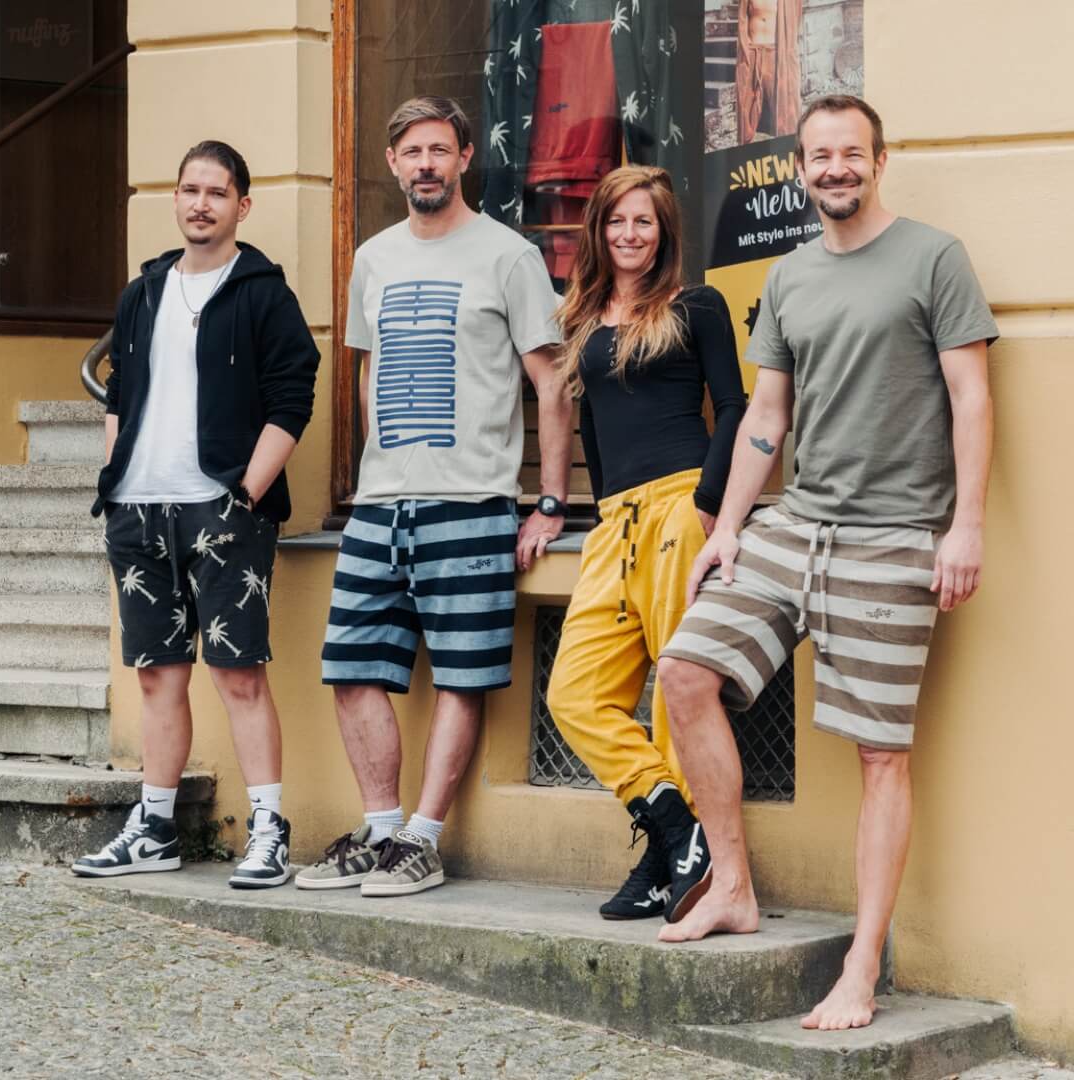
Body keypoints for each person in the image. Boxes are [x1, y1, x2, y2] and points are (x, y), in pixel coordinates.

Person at [657, 95, 997, 1031]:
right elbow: (767, 416)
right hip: (795, 523)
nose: (835, 168)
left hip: (895, 536)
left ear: (879, 161)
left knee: (880, 755)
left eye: (852, 152)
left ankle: (860, 968)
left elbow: (972, 397)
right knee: (684, 671)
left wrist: (965, 527)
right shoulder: (791, 275)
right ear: (800, 168)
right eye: (819, 155)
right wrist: (729, 526)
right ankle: (732, 886)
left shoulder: (934, 258)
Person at [297, 96, 572, 895]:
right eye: (412, 151)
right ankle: (382, 830)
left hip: (472, 501)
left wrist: (550, 501)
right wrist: (370, 476)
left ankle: (422, 840)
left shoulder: (509, 256)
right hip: (379, 507)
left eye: (439, 150)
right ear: (393, 163)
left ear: (464, 158)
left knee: (461, 676)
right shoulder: (372, 257)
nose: (426, 164)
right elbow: (367, 371)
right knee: (351, 669)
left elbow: (552, 381)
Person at [73, 140, 320, 888]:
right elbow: (120, 391)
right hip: (140, 509)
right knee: (158, 677)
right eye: (190, 190)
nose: (200, 204)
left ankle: (269, 830)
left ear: (242, 205)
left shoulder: (263, 293)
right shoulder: (144, 291)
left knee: (239, 674)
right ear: (176, 198)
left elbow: (293, 397)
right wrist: (117, 481)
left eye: (216, 192)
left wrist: (245, 492)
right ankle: (154, 828)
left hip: (222, 509)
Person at [546, 166, 746, 922]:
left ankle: (678, 866)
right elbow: (593, 431)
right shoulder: (584, 320)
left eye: (644, 222)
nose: (629, 234)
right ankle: (673, 823)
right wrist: (599, 514)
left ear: (664, 233)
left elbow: (734, 408)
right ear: (597, 230)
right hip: (615, 524)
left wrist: (708, 506)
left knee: (674, 694)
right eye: (616, 221)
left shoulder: (696, 306)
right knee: (574, 692)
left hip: (680, 507)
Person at [736, 0, 802, 145]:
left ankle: (788, 150)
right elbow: (743, 19)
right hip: (752, 53)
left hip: (777, 54)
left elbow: (795, 20)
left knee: (785, 108)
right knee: (746, 106)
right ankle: (744, 150)